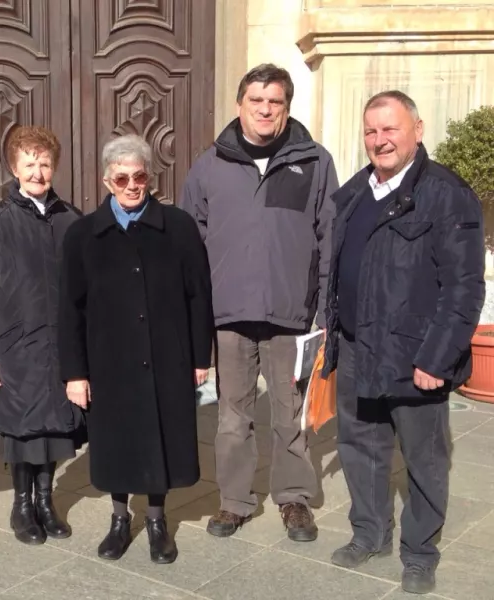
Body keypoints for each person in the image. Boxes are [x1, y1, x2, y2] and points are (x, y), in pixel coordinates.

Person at [323, 91, 484, 595]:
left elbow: (464, 287)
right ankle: (369, 533)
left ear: (416, 128)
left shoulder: (445, 193)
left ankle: (419, 552)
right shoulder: (355, 191)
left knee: (423, 460)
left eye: (390, 129)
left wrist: (438, 357)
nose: (379, 140)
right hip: (355, 347)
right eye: (371, 131)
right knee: (360, 448)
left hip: (414, 356)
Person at [179, 63, 338, 542]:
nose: (265, 110)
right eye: (257, 101)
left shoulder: (315, 162)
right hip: (229, 317)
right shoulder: (210, 165)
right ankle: (234, 501)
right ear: (239, 105)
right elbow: (190, 244)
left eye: (275, 103)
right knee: (233, 415)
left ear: (286, 109)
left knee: (290, 412)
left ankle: (293, 498)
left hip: (291, 316)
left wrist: (326, 312)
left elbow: (330, 237)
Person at [59, 134, 213, 564]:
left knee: (161, 437)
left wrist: (201, 358)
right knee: (117, 441)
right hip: (109, 363)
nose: (131, 184)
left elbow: (198, 295)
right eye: (122, 177)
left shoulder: (178, 227)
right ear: (107, 181)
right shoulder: (83, 235)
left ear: (150, 177)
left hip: (167, 357)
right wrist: (74, 373)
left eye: (139, 175)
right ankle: (120, 518)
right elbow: (69, 308)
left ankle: (159, 521)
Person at [0, 126, 85, 546]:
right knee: (21, 430)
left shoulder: (72, 221)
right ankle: (21, 504)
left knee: (54, 428)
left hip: (58, 345)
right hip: (14, 346)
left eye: (44, 163)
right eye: (29, 164)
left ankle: (46, 502)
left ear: (55, 167)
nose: (37, 172)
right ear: (14, 168)